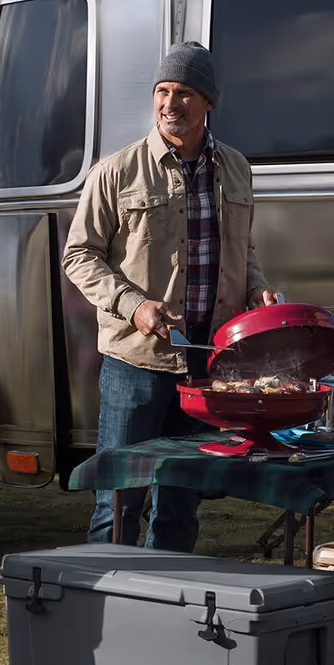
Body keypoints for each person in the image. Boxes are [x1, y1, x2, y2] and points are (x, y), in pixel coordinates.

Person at [61, 42, 278, 552]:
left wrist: (255, 286)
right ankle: (104, 603)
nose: (170, 103)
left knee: (182, 498)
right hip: (136, 364)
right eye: (162, 91)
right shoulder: (116, 172)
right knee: (119, 497)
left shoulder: (237, 168)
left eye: (184, 93)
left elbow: (242, 248)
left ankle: (168, 606)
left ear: (208, 103)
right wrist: (134, 306)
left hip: (207, 364)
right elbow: (79, 256)